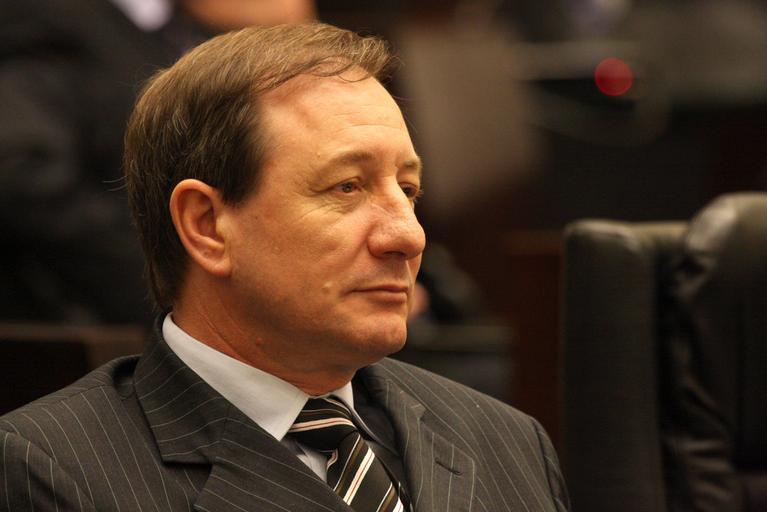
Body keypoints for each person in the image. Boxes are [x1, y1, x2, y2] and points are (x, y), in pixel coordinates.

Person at [0, 23, 569, 511]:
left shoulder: (507, 439)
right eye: (347, 187)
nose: (407, 235)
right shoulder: (52, 470)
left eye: (408, 190)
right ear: (207, 225)